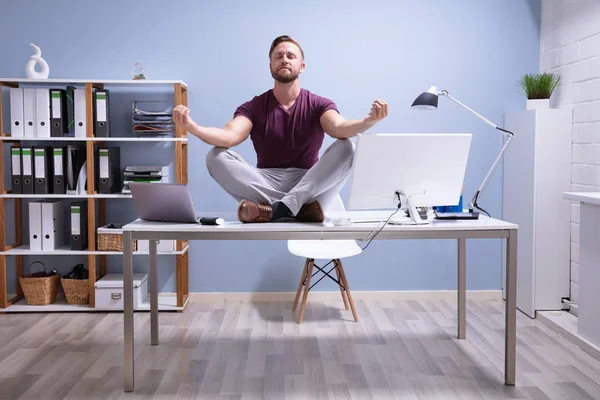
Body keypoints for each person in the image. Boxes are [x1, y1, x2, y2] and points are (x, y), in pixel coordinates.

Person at [173, 35, 388, 223]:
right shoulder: (254, 106)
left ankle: (275, 210)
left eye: (290, 56)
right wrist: (194, 127)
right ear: (270, 66)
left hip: (309, 183)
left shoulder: (318, 103)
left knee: (346, 147)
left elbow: (339, 127)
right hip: (266, 182)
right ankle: (297, 210)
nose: (284, 59)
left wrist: (367, 122)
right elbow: (229, 136)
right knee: (215, 156)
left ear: (302, 66)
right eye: (278, 56)